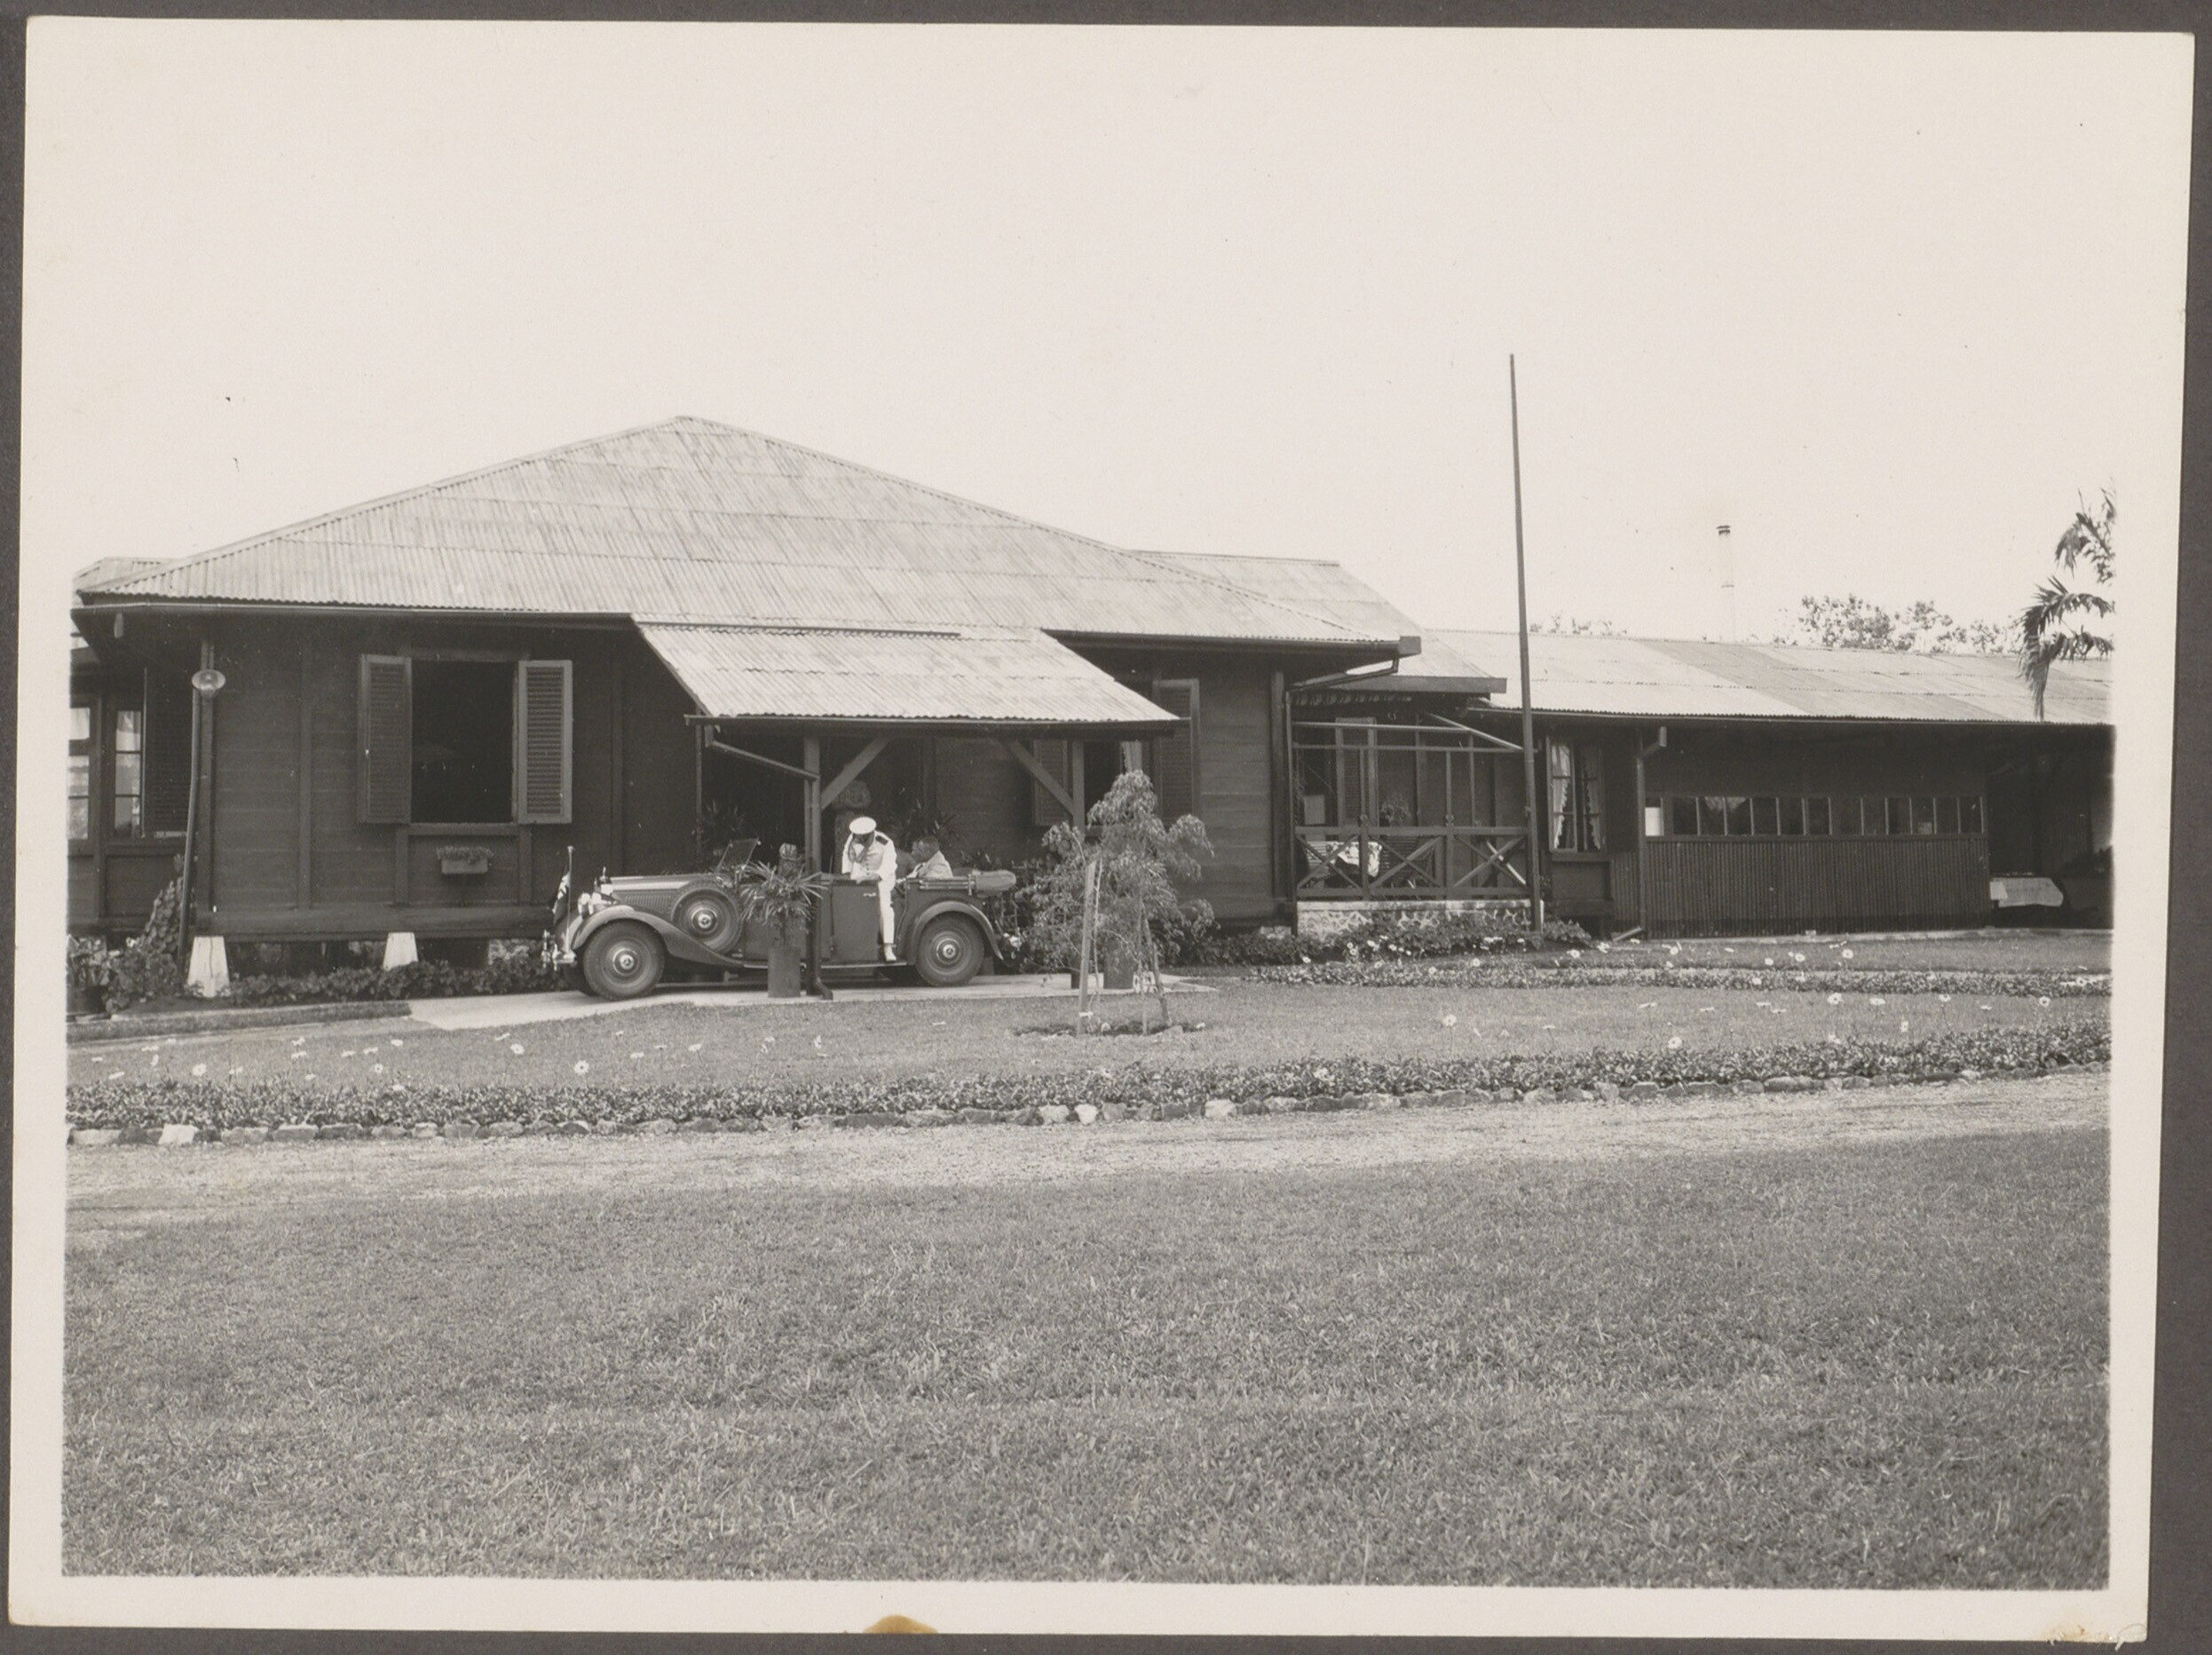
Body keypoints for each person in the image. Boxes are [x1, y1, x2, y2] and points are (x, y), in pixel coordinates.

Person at [840, 814, 897, 960]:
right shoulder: (853, 838)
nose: (861, 841)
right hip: (861, 874)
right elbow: (847, 855)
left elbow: (889, 865)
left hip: (881, 877)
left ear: (871, 834)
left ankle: (888, 947)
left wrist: (874, 877)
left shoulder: (885, 842)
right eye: (859, 838)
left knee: (884, 907)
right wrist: (847, 873)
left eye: (864, 838)